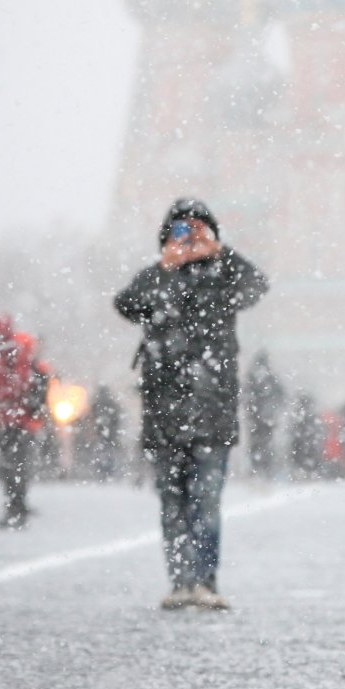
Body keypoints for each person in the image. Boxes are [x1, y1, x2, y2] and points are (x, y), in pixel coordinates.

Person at [115, 198, 269, 612]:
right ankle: (181, 581)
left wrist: (220, 253)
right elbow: (126, 304)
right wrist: (166, 268)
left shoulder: (222, 276)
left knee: (207, 502)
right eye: (180, 230)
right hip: (164, 411)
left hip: (211, 410)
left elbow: (257, 284)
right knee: (172, 502)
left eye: (197, 230)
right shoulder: (156, 278)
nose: (189, 238)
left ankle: (205, 580)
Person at [0, 314, 44, 529]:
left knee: (12, 467)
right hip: (14, 419)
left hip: (12, 420)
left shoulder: (9, 351)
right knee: (15, 466)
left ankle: (15, 509)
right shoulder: (11, 350)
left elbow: (11, 385)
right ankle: (17, 507)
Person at [242, 352, 284, 479]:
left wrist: (251, 410)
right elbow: (280, 395)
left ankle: (257, 470)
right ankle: (265, 470)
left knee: (256, 444)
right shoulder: (270, 378)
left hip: (256, 419)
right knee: (266, 444)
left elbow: (246, 395)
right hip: (266, 419)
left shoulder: (253, 377)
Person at [86, 386, 124, 481]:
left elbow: (92, 418)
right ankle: (107, 474)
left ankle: (104, 474)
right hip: (108, 436)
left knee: (102, 454)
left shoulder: (98, 404)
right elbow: (116, 419)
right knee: (107, 454)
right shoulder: (110, 404)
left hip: (103, 436)